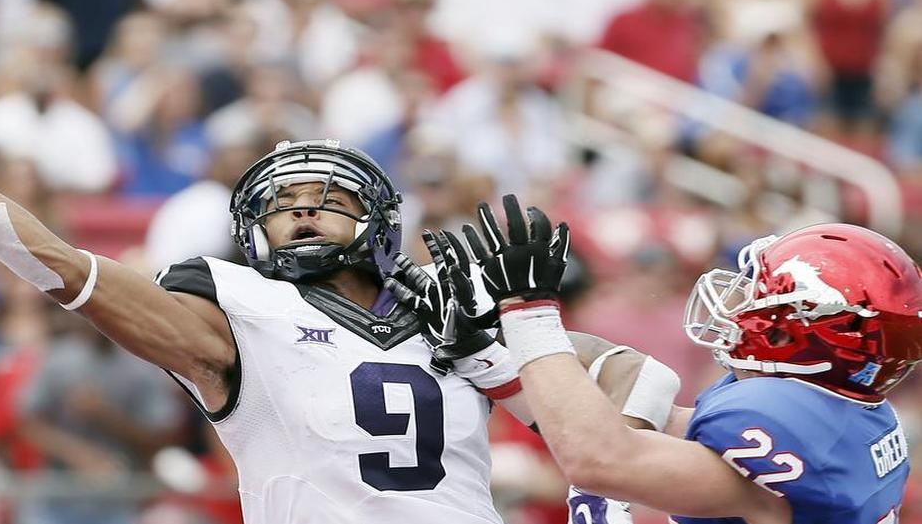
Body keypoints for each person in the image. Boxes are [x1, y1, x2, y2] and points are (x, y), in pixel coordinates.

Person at [0, 43, 679, 524]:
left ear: (381, 223)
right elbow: (69, 272)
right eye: (282, 204)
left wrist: (602, 483)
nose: (301, 213)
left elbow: (640, 378)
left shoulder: (446, 313)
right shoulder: (236, 310)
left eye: (328, 200)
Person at [394, 194, 922, 522]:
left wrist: (529, 311)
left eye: (757, 297)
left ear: (802, 333)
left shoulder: (796, 438)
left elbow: (600, 458)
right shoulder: (841, 414)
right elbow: (635, 410)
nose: (738, 305)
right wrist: (491, 343)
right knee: (638, 380)